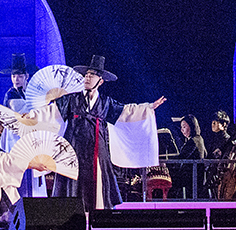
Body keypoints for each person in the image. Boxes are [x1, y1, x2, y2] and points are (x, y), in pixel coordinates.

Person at [42, 56, 165, 211]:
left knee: (98, 186)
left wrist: (149, 107)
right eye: (86, 74)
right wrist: (32, 115)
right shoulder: (71, 100)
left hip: (97, 151)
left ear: (100, 81)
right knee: (70, 185)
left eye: (92, 75)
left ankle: (97, 215)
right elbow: (50, 113)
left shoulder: (105, 103)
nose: (87, 77)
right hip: (73, 149)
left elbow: (127, 112)